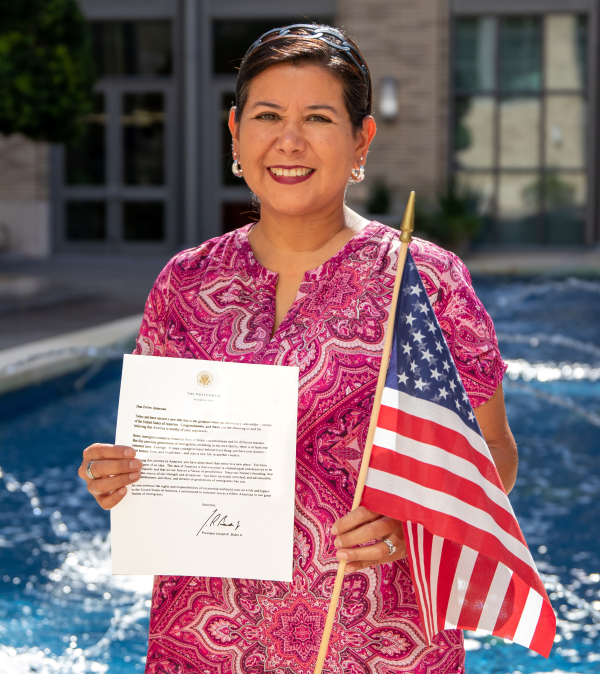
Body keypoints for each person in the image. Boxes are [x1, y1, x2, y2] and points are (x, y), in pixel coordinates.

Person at [78, 24, 517, 674]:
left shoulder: (422, 280)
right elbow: (162, 456)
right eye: (267, 116)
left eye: (317, 116)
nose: (289, 140)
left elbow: (495, 456)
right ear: (235, 131)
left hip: (374, 642)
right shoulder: (186, 283)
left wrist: (411, 522)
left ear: (361, 139)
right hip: (205, 639)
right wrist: (118, 476)